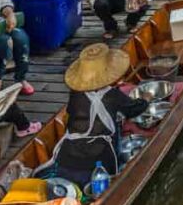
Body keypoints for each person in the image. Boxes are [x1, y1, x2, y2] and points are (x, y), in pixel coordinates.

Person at [45, 43, 148, 183]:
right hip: (97, 161)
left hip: (67, 155)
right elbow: (134, 109)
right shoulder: (112, 95)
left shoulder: (75, 94)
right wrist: (146, 99)